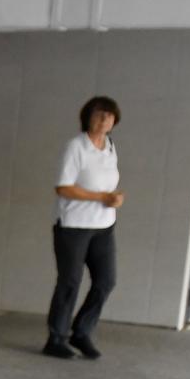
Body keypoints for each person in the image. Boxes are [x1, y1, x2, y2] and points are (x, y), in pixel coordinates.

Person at [45, 96, 123, 359]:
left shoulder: (110, 147)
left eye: (110, 117)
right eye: (100, 115)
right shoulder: (76, 147)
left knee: (106, 280)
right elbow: (63, 187)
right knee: (70, 281)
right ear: (88, 117)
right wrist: (101, 197)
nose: (105, 120)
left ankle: (82, 331)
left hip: (103, 225)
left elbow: (106, 184)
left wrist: (114, 197)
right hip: (74, 225)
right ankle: (56, 337)